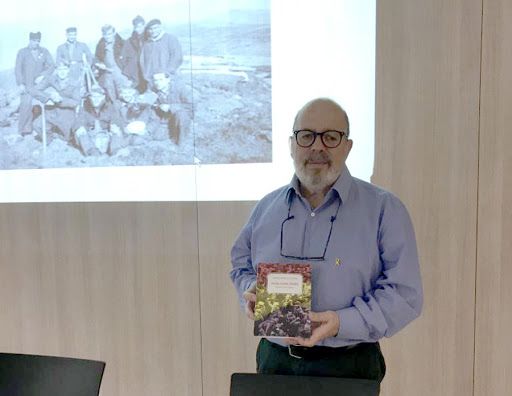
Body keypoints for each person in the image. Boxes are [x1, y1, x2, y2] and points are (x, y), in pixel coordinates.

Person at [230, 98, 423, 386]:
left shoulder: (384, 209)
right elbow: (241, 266)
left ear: (347, 146)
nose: (317, 147)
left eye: (331, 137)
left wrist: (340, 323)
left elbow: (404, 295)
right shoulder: (265, 209)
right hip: (276, 362)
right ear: (292, 144)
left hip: (349, 364)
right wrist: (250, 291)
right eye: (306, 136)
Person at [15, 31, 54, 135]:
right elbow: (18, 69)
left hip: (40, 84)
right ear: (29, 40)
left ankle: (43, 126)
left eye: (38, 41)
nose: (36, 43)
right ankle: (24, 130)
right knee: (25, 104)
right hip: (27, 84)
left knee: (45, 104)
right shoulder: (22, 52)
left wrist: (43, 75)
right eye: (34, 41)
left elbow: (51, 66)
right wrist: (20, 84)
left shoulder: (44, 51)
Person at [31, 62, 81, 143]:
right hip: (51, 111)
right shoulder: (51, 79)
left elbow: (76, 102)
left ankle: (57, 137)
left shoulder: (74, 83)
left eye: (64, 69)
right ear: (56, 70)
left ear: (68, 70)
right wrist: (48, 97)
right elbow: (35, 90)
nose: (62, 72)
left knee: (68, 138)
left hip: (66, 113)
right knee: (37, 125)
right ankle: (50, 142)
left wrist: (60, 100)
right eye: (59, 69)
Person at [73, 85, 124, 156]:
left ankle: (115, 151)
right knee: (80, 131)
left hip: (106, 136)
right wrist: (81, 128)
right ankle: (91, 152)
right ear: (89, 98)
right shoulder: (84, 107)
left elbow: (116, 121)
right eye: (93, 97)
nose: (96, 99)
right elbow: (78, 122)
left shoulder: (110, 107)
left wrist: (114, 126)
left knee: (116, 130)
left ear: (103, 97)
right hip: (91, 136)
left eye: (99, 97)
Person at [147, 72, 192, 144]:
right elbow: (151, 108)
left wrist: (171, 107)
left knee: (181, 115)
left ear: (168, 80)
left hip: (181, 117)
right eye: (155, 80)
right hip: (165, 119)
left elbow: (191, 106)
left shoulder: (180, 89)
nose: (157, 83)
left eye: (160, 80)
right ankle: (171, 131)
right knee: (157, 137)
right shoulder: (153, 91)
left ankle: (182, 141)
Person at [139, 19, 183, 85]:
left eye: (155, 28)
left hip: (167, 78)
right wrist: (146, 75)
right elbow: (142, 61)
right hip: (151, 80)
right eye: (150, 29)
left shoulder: (170, 39)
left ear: (160, 27)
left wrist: (167, 72)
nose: (153, 31)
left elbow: (177, 57)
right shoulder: (146, 43)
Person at [94, 25, 127, 102]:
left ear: (114, 33)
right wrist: (99, 64)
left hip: (120, 72)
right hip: (107, 72)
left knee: (123, 93)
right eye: (105, 34)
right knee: (110, 94)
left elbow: (129, 59)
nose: (107, 36)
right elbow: (96, 58)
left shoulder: (122, 43)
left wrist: (126, 72)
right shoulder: (101, 45)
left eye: (109, 34)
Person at [121, 15, 146, 92]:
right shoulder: (129, 41)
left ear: (144, 25)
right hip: (134, 73)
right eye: (136, 27)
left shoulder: (149, 40)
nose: (138, 29)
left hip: (147, 71)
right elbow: (123, 58)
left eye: (140, 26)